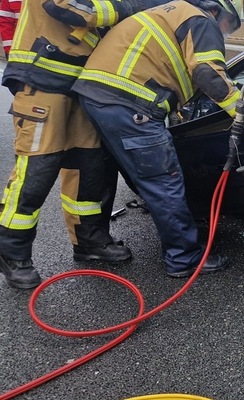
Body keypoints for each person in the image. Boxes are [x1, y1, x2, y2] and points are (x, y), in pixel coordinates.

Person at [71, 0, 244, 278]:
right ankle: (184, 258)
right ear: (215, 10)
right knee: (164, 179)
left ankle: (94, 240)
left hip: (99, 95)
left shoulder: (172, 12)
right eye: (226, 26)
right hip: (129, 102)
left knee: (130, 172)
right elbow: (208, 73)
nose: (222, 34)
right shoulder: (201, 20)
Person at [0, 0, 169, 289]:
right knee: (38, 168)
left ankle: (89, 240)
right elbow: (72, 9)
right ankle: (12, 252)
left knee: (90, 168)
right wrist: (132, 6)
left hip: (82, 86)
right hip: (42, 81)